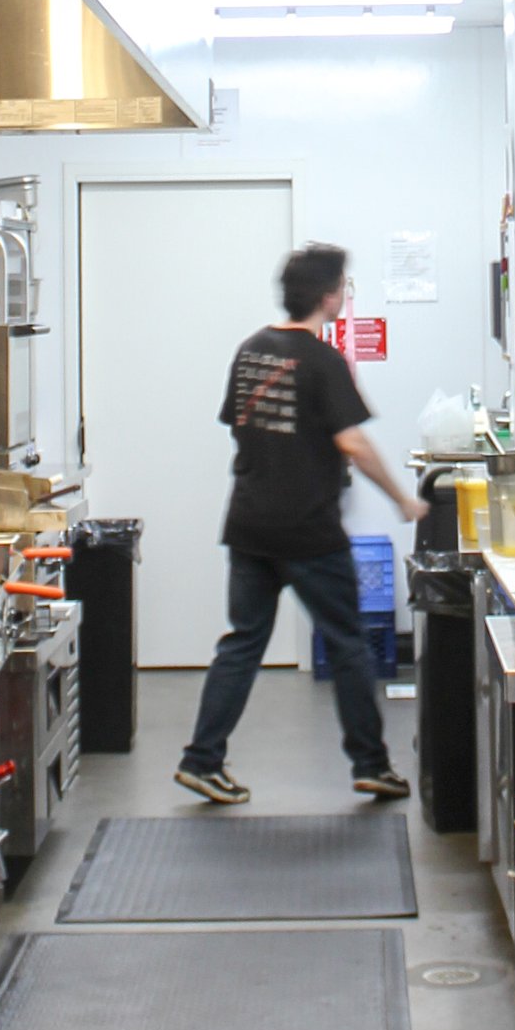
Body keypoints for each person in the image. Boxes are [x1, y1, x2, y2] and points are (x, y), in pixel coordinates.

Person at [176, 242, 419, 806]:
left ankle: (201, 760)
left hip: (249, 525)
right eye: (344, 286)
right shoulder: (322, 360)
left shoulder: (250, 350)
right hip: (308, 531)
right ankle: (372, 765)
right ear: (330, 295)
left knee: (241, 643)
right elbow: (353, 442)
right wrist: (403, 499)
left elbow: (239, 427)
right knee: (349, 644)